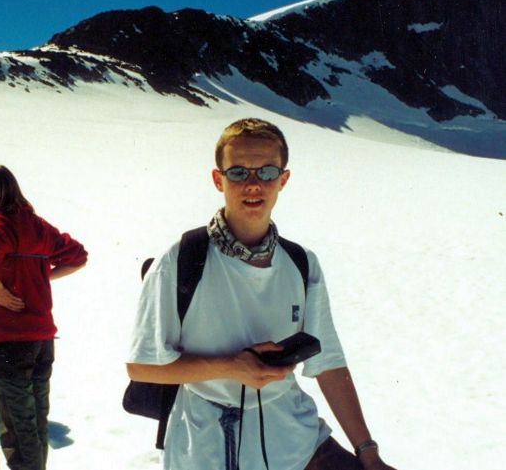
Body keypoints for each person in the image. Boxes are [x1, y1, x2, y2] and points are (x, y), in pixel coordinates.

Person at [126, 118, 397, 470]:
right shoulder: (181, 259)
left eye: (267, 172)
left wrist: (367, 451)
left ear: (283, 180)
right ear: (218, 179)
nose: (253, 184)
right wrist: (230, 367)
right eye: (238, 172)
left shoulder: (301, 263)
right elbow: (142, 366)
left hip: (295, 442)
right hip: (205, 448)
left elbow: (327, 362)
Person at [0, 165, 88, 470]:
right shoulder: (37, 227)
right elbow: (77, 257)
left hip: (9, 341)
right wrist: (42, 276)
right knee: (36, 421)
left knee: (18, 427)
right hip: (42, 339)